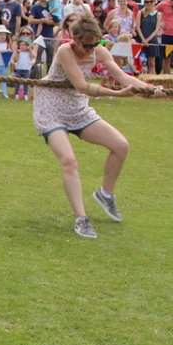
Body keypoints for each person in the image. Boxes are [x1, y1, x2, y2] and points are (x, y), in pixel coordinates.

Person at [34, 14, 166, 238]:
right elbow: (81, 85)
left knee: (120, 146)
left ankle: (105, 194)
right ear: (75, 39)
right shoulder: (65, 51)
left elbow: (123, 77)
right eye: (86, 45)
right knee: (69, 161)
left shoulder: (99, 51)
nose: (90, 50)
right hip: (51, 108)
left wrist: (150, 88)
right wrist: (117, 94)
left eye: (95, 44)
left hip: (77, 108)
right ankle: (81, 218)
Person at [137, 0, 163, 74]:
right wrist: (143, 39)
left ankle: (152, 77)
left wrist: (148, 40)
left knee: (152, 63)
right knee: (140, 62)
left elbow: (157, 29)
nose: (149, 3)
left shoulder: (158, 14)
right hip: (142, 39)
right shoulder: (141, 13)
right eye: (147, 2)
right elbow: (138, 27)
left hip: (152, 40)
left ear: (154, 2)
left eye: (151, 1)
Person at [12, 36, 36, 100]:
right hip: (19, 69)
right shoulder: (18, 52)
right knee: (17, 82)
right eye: (20, 45)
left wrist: (30, 50)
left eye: (24, 45)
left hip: (26, 69)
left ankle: (25, 94)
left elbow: (34, 56)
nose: (22, 46)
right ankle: (17, 94)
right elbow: (15, 59)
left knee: (26, 82)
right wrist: (17, 53)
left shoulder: (29, 53)